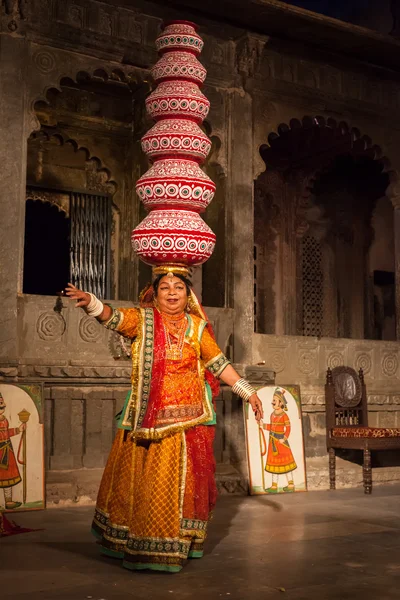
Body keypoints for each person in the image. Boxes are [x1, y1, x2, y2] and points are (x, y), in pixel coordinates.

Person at [65, 266, 263, 573]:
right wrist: (90, 301)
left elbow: (218, 362)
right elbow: (112, 317)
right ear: (154, 294)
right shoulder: (142, 321)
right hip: (146, 420)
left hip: (187, 422)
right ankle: (138, 544)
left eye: (178, 287)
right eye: (165, 288)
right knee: (143, 484)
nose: (172, 292)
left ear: (188, 294)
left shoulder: (196, 327)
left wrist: (248, 392)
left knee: (179, 487)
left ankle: (175, 545)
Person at [262, 387, 297, 493]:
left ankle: (291, 485)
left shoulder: (284, 416)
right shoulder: (272, 415)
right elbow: (272, 427)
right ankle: (274, 486)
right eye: (272, 400)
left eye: (274, 400)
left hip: (281, 442)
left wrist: (284, 438)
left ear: (281, 403)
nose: (272, 402)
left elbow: (288, 428)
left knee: (287, 464)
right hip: (272, 442)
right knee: (274, 465)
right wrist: (262, 425)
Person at [0, 393, 26, 509]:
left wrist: (18, 429)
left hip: (7, 449)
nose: (2, 410)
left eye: (2, 407)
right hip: (1, 451)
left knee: (8, 477)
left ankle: (8, 502)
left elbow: (6, 433)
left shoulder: (4, 419)